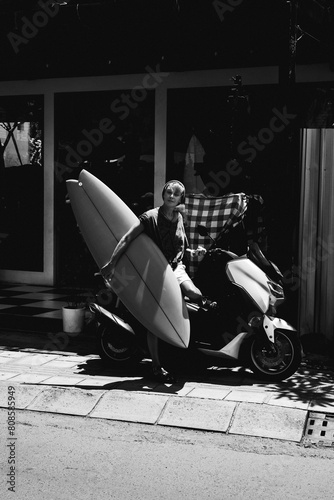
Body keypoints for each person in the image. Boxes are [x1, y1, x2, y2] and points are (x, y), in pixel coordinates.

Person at [101, 180, 212, 383]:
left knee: (195, 294)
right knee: (156, 322)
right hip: (156, 272)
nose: (171, 196)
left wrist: (193, 252)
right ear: (163, 194)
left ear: (181, 198)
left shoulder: (179, 218)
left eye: (176, 194)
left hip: (176, 269)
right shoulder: (150, 217)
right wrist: (111, 263)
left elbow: (180, 246)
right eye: (168, 192)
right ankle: (156, 366)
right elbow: (127, 239)